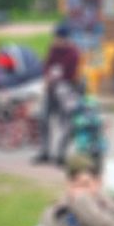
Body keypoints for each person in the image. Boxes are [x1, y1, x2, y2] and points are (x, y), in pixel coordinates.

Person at [34, 21, 82, 164]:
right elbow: (47, 65)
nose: (55, 40)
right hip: (51, 88)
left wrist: (53, 77)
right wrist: (48, 77)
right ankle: (44, 151)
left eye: (58, 37)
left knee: (67, 123)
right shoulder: (53, 49)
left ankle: (61, 154)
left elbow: (68, 73)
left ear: (65, 38)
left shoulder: (73, 53)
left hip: (67, 89)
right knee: (43, 118)